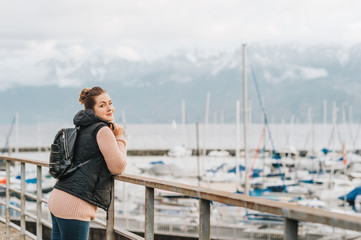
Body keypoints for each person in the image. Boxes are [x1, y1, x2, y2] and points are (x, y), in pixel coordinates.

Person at [48, 86, 127, 240]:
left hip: (58, 197)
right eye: (102, 105)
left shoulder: (82, 128)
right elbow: (118, 167)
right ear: (91, 110)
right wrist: (119, 138)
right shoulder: (103, 130)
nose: (109, 108)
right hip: (74, 206)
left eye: (110, 103)